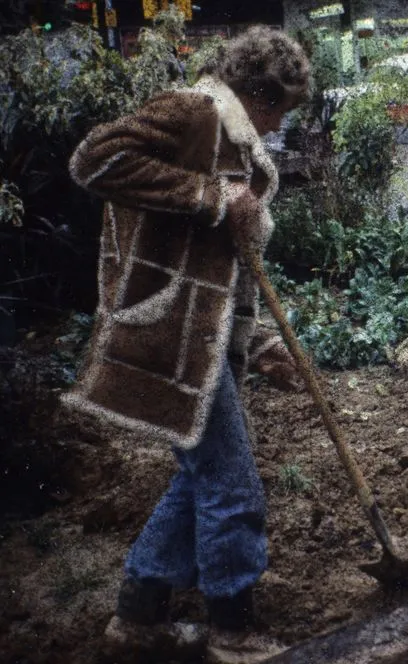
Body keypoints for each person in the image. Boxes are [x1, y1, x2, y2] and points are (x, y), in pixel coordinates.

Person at [63, 26, 309, 664]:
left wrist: (259, 344)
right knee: (232, 483)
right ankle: (233, 630)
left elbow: (222, 264)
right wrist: (209, 197)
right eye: (280, 109)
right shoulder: (196, 112)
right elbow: (92, 160)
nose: (280, 124)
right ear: (259, 94)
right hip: (166, 332)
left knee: (202, 476)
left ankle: (139, 616)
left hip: (199, 338)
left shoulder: (237, 140)